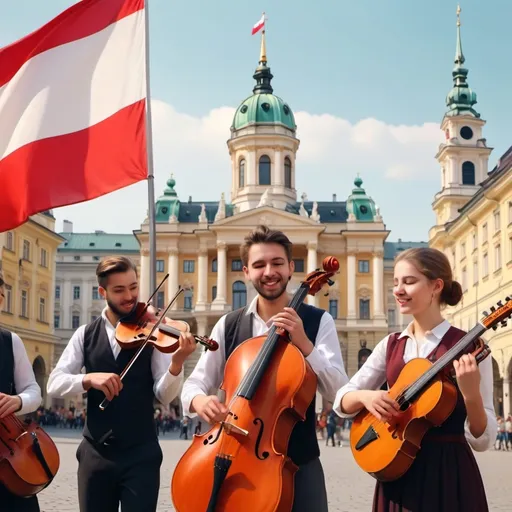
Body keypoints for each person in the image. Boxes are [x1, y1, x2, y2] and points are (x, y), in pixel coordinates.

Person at [181, 225, 348, 511]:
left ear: (291, 268)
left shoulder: (319, 321)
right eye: (259, 265)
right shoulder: (229, 325)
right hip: (234, 459)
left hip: (299, 464)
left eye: (277, 263)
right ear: (246, 272)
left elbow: (338, 389)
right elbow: (193, 384)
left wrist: (306, 346)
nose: (269, 271)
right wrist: (200, 401)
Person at [334, 248, 496, 511]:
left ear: (436, 286)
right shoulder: (391, 344)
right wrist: (367, 396)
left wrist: (471, 396)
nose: (398, 290)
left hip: (449, 474)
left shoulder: (470, 346)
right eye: (396, 282)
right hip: (397, 472)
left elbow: (482, 439)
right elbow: (342, 399)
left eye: (409, 282)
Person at [47, 256, 196, 512]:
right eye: (119, 290)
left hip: (141, 453)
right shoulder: (84, 334)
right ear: (102, 292)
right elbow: (54, 383)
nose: (130, 296)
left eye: (134, 287)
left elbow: (163, 394)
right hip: (95, 453)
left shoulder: (153, 331)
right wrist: (87, 379)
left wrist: (177, 364)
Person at [0, 271, 43, 511]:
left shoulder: (10, 341)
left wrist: (18, 401)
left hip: (8, 460)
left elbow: (33, 390)